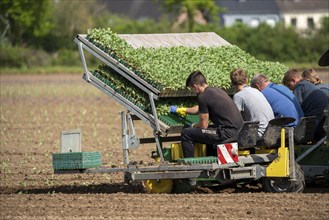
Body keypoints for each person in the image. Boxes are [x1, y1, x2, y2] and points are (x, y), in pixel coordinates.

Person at [170, 70, 243, 158]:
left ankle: (189, 165)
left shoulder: (203, 97)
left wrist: (193, 126)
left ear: (195, 86)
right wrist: (182, 110)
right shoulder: (216, 91)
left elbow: (203, 125)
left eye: (192, 89)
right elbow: (199, 109)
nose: (193, 91)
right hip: (239, 131)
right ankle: (210, 160)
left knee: (186, 133)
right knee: (208, 131)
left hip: (227, 133)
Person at [282, 68, 328, 140]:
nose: (290, 89)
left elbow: (297, 108)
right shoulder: (307, 84)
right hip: (322, 117)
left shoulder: (299, 86)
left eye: (288, 85)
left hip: (314, 119)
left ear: (293, 80)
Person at [230, 69, 274, 139]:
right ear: (246, 80)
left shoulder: (238, 96)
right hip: (271, 131)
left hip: (258, 134)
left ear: (232, 82)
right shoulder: (256, 91)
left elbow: (234, 120)